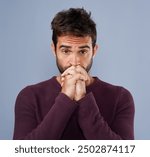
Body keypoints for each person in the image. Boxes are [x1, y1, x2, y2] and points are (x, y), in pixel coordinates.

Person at [13, 8, 135, 140]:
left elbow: (125, 152)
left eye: (82, 52)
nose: (75, 62)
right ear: (54, 50)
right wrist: (65, 97)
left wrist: (83, 99)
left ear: (94, 51)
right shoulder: (29, 96)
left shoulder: (120, 97)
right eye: (66, 51)